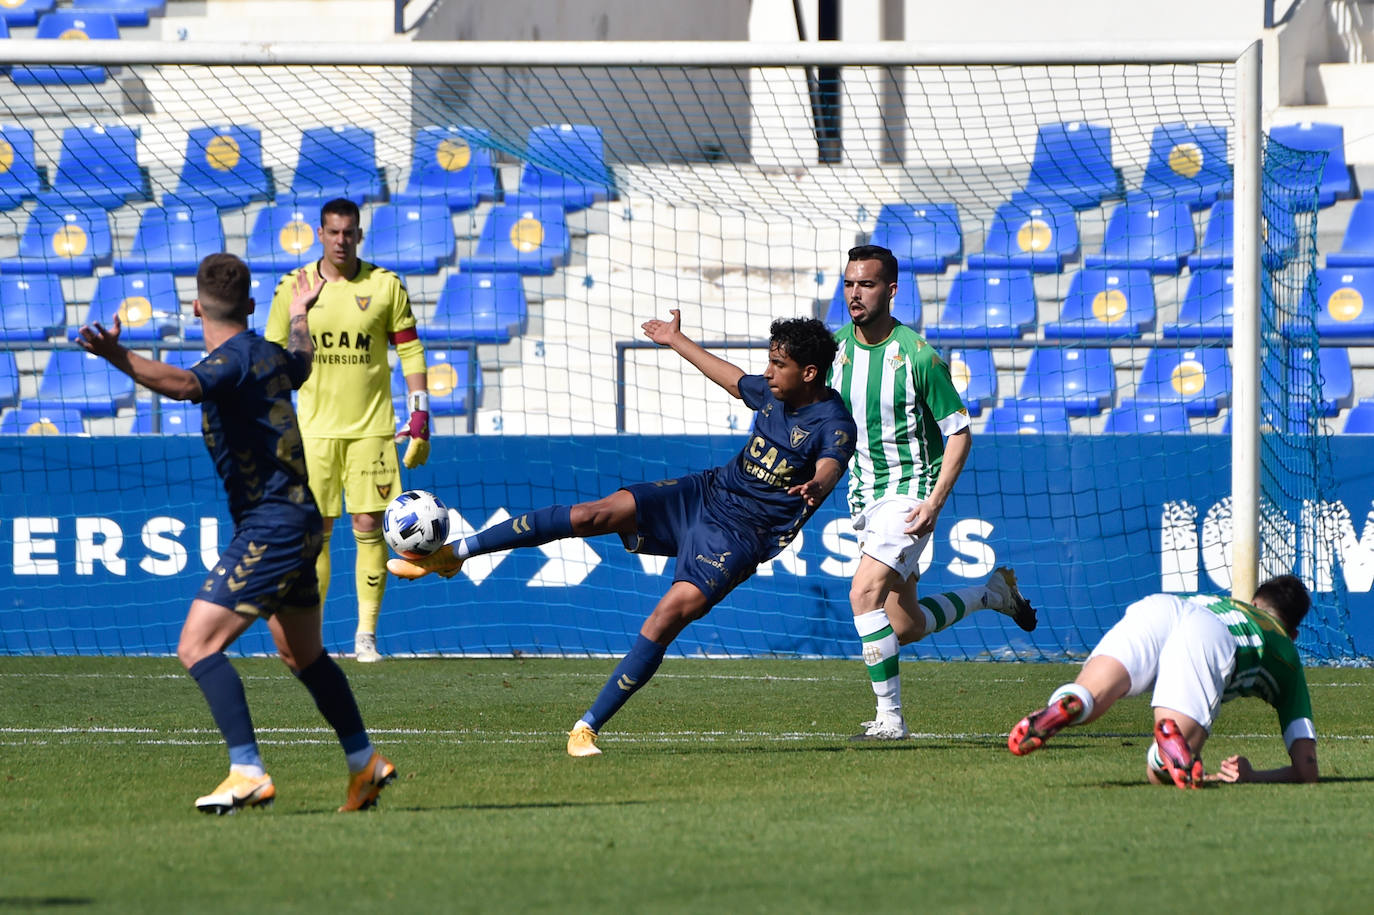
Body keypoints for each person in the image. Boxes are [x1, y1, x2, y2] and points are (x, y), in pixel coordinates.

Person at [388, 310, 858, 757]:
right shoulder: (774, 393)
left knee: (667, 617)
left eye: (778, 364)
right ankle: (456, 553)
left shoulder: (834, 424)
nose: (769, 372)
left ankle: (586, 726)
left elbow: (830, 464)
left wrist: (817, 485)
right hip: (705, 493)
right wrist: (675, 340)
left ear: (810, 372)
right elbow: (734, 379)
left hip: (741, 536)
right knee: (595, 513)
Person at [77, 253, 396, 814]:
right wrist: (300, 312)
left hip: (272, 524)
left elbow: (181, 385)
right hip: (301, 519)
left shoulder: (227, 364)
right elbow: (302, 359)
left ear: (196, 307)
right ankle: (364, 762)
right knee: (303, 656)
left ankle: (247, 769)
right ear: (250, 306)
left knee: (196, 646)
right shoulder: (268, 355)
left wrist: (116, 354)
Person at [831, 245, 1036, 740]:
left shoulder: (917, 355)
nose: (856, 294)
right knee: (903, 626)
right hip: (864, 498)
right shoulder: (835, 348)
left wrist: (934, 502)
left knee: (863, 596)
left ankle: (891, 720)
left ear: (891, 290)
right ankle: (990, 594)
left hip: (907, 496)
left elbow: (959, 431)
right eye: (850, 284)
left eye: (868, 284)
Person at [265, 197, 430, 663]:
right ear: (320, 234)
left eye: (349, 232)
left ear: (359, 234)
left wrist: (419, 415)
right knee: (314, 532)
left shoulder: (384, 286)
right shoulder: (293, 286)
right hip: (313, 432)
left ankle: (366, 636)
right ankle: (310, 637)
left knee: (368, 525)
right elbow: (273, 357)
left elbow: (411, 352)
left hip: (372, 431)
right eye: (333, 232)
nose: (341, 240)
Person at [1008, 574, 1319, 788]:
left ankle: (1076, 700)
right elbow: (1307, 770)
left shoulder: (1228, 603)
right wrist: (1252, 776)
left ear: (1253, 601)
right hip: (1208, 636)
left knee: (1089, 694)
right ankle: (1162, 754)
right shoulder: (1287, 653)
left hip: (1162, 608)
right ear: (1293, 634)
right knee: (1160, 775)